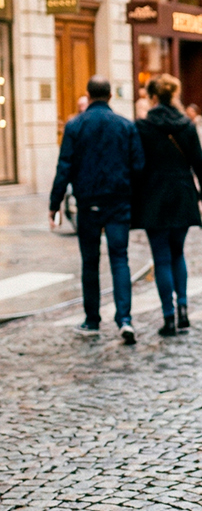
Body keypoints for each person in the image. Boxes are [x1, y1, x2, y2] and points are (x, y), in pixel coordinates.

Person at [48, 76, 144, 344]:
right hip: (118, 201)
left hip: (88, 203)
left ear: (88, 95)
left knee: (90, 262)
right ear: (110, 96)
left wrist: (54, 205)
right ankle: (124, 318)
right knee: (119, 258)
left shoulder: (76, 125)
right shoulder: (125, 125)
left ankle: (92, 319)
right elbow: (138, 166)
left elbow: (63, 167)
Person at [134, 75, 202, 337]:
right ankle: (183, 310)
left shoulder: (143, 126)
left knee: (161, 258)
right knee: (178, 253)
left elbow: (136, 166)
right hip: (182, 195)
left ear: (152, 97)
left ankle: (168, 317)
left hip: (154, 197)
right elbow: (199, 164)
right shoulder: (186, 125)